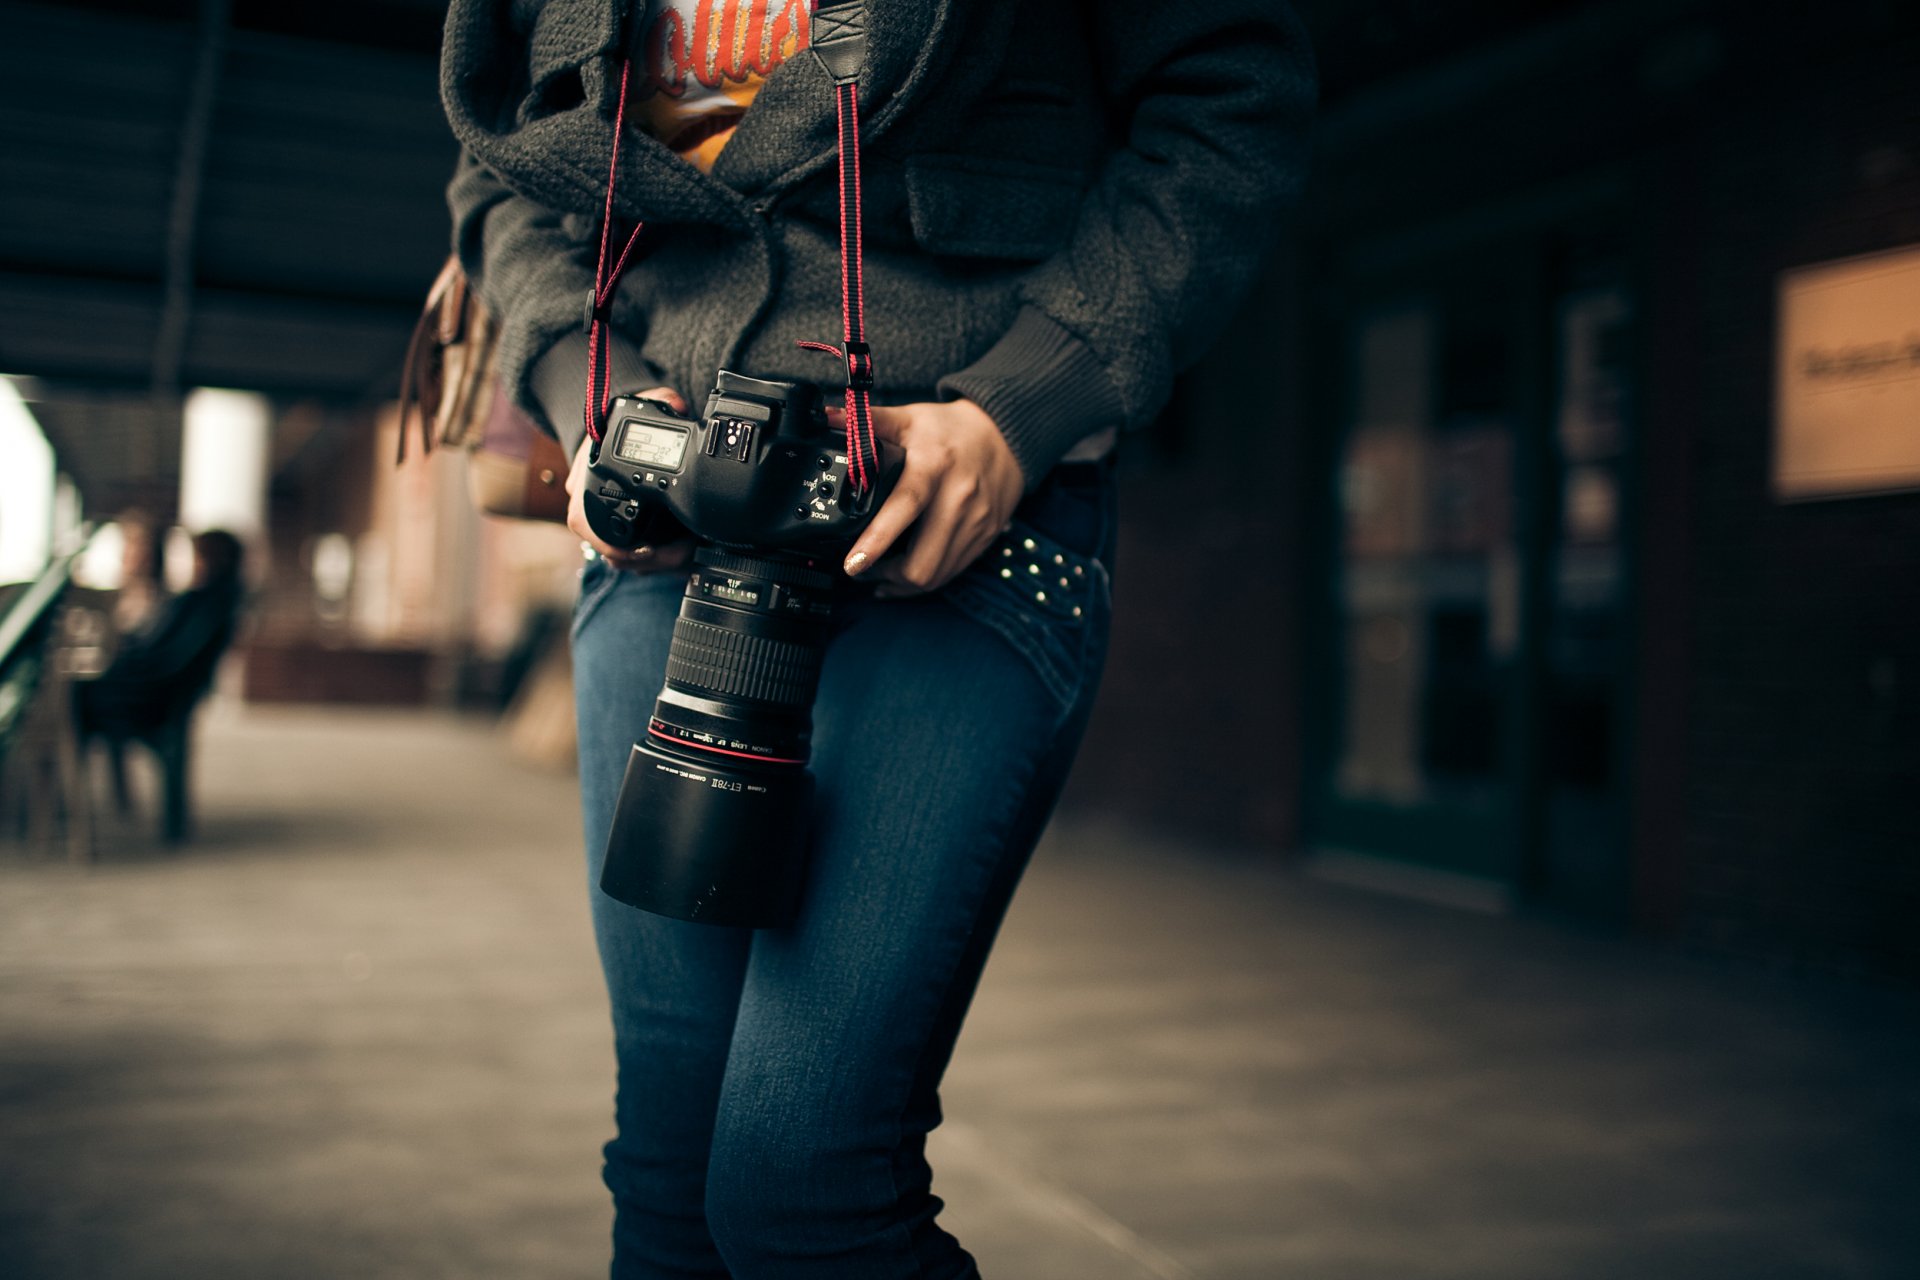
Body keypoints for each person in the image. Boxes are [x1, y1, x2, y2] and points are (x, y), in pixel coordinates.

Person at [441, 2, 1313, 1275]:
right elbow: (497, 162)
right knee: (668, 1169)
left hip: (961, 520)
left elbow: (1232, 91)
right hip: (676, 530)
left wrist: (1026, 400)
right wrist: (600, 390)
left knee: (807, 1186)